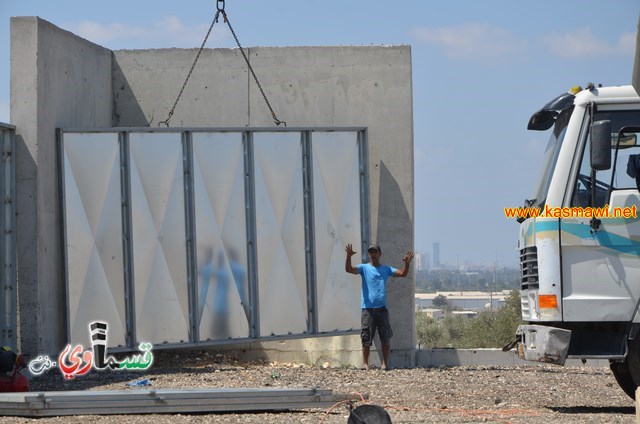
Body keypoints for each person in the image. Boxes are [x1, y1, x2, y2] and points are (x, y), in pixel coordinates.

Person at [345, 243, 414, 370]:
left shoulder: (386, 269)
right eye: (370, 252)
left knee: (385, 338)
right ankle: (365, 363)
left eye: (375, 252)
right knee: (366, 338)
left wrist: (407, 264)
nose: (372, 254)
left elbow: (403, 273)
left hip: (382, 310)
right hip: (367, 310)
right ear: (369, 254)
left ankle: (384, 364)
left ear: (379, 254)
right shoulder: (364, 268)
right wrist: (348, 256)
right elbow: (349, 269)